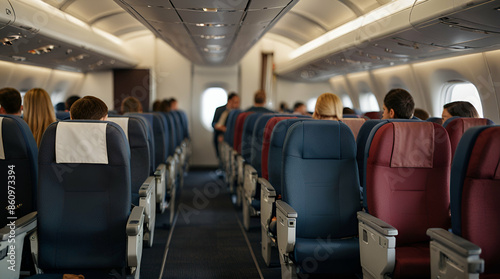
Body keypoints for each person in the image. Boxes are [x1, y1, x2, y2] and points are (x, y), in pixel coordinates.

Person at [212, 92, 240, 157]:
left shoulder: (238, 113)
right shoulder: (219, 110)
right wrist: (217, 126)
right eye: (235, 102)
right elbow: (213, 123)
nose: (237, 104)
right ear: (229, 101)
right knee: (220, 156)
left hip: (231, 137)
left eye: (238, 102)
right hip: (218, 135)